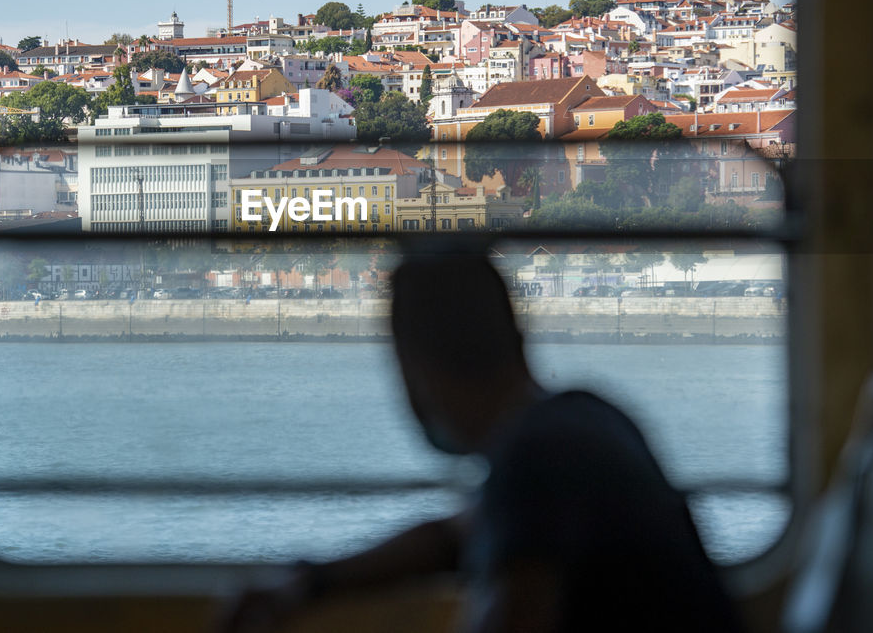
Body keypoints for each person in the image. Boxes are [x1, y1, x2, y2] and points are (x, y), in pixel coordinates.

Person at [223, 251, 744, 633]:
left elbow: (517, 611)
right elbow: (457, 535)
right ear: (516, 339)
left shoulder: (533, 457)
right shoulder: (587, 419)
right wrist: (308, 584)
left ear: (416, 374)